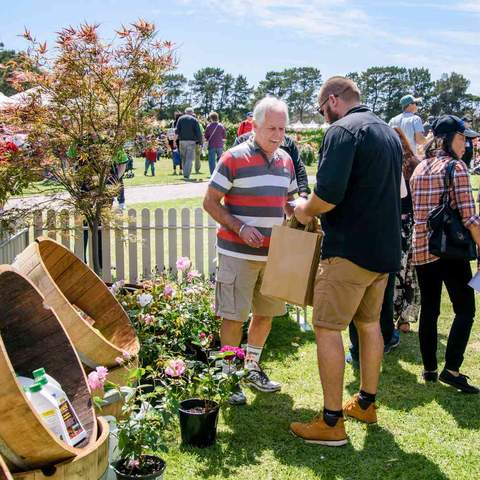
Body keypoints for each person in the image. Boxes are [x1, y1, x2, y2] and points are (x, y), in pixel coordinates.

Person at [290, 76, 402, 446]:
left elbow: (328, 195)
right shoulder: (387, 132)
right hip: (384, 250)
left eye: (323, 110)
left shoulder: (342, 131)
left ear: (334, 100)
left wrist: (303, 211)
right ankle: (366, 403)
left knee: (326, 327)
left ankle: (331, 421)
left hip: (349, 251)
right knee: (369, 323)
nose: (324, 118)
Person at [203, 97, 297, 406]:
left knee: (265, 315)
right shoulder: (232, 158)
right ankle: (228, 376)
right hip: (237, 254)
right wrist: (240, 227)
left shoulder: (286, 160)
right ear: (254, 125)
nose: (277, 135)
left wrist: (300, 209)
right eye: (271, 127)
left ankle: (252, 368)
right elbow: (210, 202)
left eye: (282, 128)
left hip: (273, 256)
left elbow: (289, 201)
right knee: (233, 319)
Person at [410, 114, 480, 393]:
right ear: (448, 139)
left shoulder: (420, 167)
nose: (466, 144)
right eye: (463, 138)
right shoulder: (456, 167)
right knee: (465, 308)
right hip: (450, 248)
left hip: (421, 247)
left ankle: (429, 369)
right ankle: (452, 369)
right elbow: (470, 217)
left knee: (430, 308)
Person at [392, 127, 421, 333]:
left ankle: (391, 314)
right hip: (411, 224)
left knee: (394, 272)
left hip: (394, 223)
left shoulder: (391, 162)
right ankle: (404, 319)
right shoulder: (415, 163)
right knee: (409, 272)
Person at [234, 131, 310, 198]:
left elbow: (298, 167)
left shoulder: (287, 142)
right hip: (247, 204)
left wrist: (303, 194)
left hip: (279, 203)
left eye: (281, 128)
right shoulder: (242, 141)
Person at [175, 107, 203, 179]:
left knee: (183, 158)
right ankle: (186, 175)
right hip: (191, 141)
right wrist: (200, 142)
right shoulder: (194, 120)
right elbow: (198, 132)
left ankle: (185, 173)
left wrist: (175, 141)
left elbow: (177, 131)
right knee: (189, 158)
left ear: (185, 112)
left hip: (182, 141)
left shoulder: (180, 119)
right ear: (192, 113)